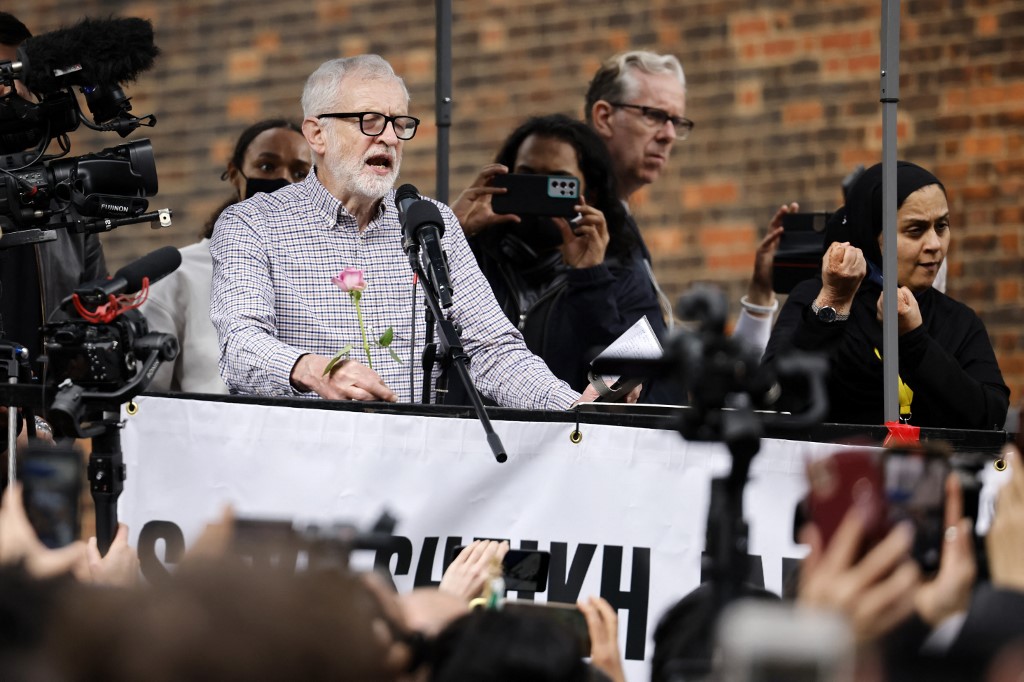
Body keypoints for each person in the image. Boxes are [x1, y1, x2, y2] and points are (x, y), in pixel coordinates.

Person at [210, 55, 598, 409]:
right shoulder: (251, 223)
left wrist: (575, 409)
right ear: (317, 135)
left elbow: (492, 349)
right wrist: (316, 370)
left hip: (408, 465)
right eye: (370, 121)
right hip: (303, 461)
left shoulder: (430, 224)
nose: (391, 138)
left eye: (399, 123)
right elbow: (239, 345)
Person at [763, 161, 1009, 429]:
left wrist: (915, 341)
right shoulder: (816, 295)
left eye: (942, 226)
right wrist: (833, 303)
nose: (935, 245)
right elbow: (776, 395)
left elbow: (991, 416)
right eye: (915, 230)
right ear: (872, 234)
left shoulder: (958, 319)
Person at [584, 50, 782, 353]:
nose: (669, 135)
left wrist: (759, 292)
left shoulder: (620, 220)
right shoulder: (576, 224)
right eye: (654, 115)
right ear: (604, 117)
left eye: (676, 122)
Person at [452, 114, 661, 392]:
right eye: (527, 178)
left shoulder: (623, 275)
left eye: (558, 183)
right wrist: (450, 234)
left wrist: (591, 280)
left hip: (571, 432)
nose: (540, 196)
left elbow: (631, 388)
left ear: (591, 194)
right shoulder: (468, 256)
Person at [141, 119, 311, 393]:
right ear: (235, 174)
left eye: (301, 173)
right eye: (267, 166)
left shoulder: (336, 277)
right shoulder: (180, 274)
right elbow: (146, 402)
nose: (284, 181)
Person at [0, 12, 107, 366]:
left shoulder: (64, 199)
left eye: (13, 74)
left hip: (46, 411)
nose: (7, 90)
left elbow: (94, 313)